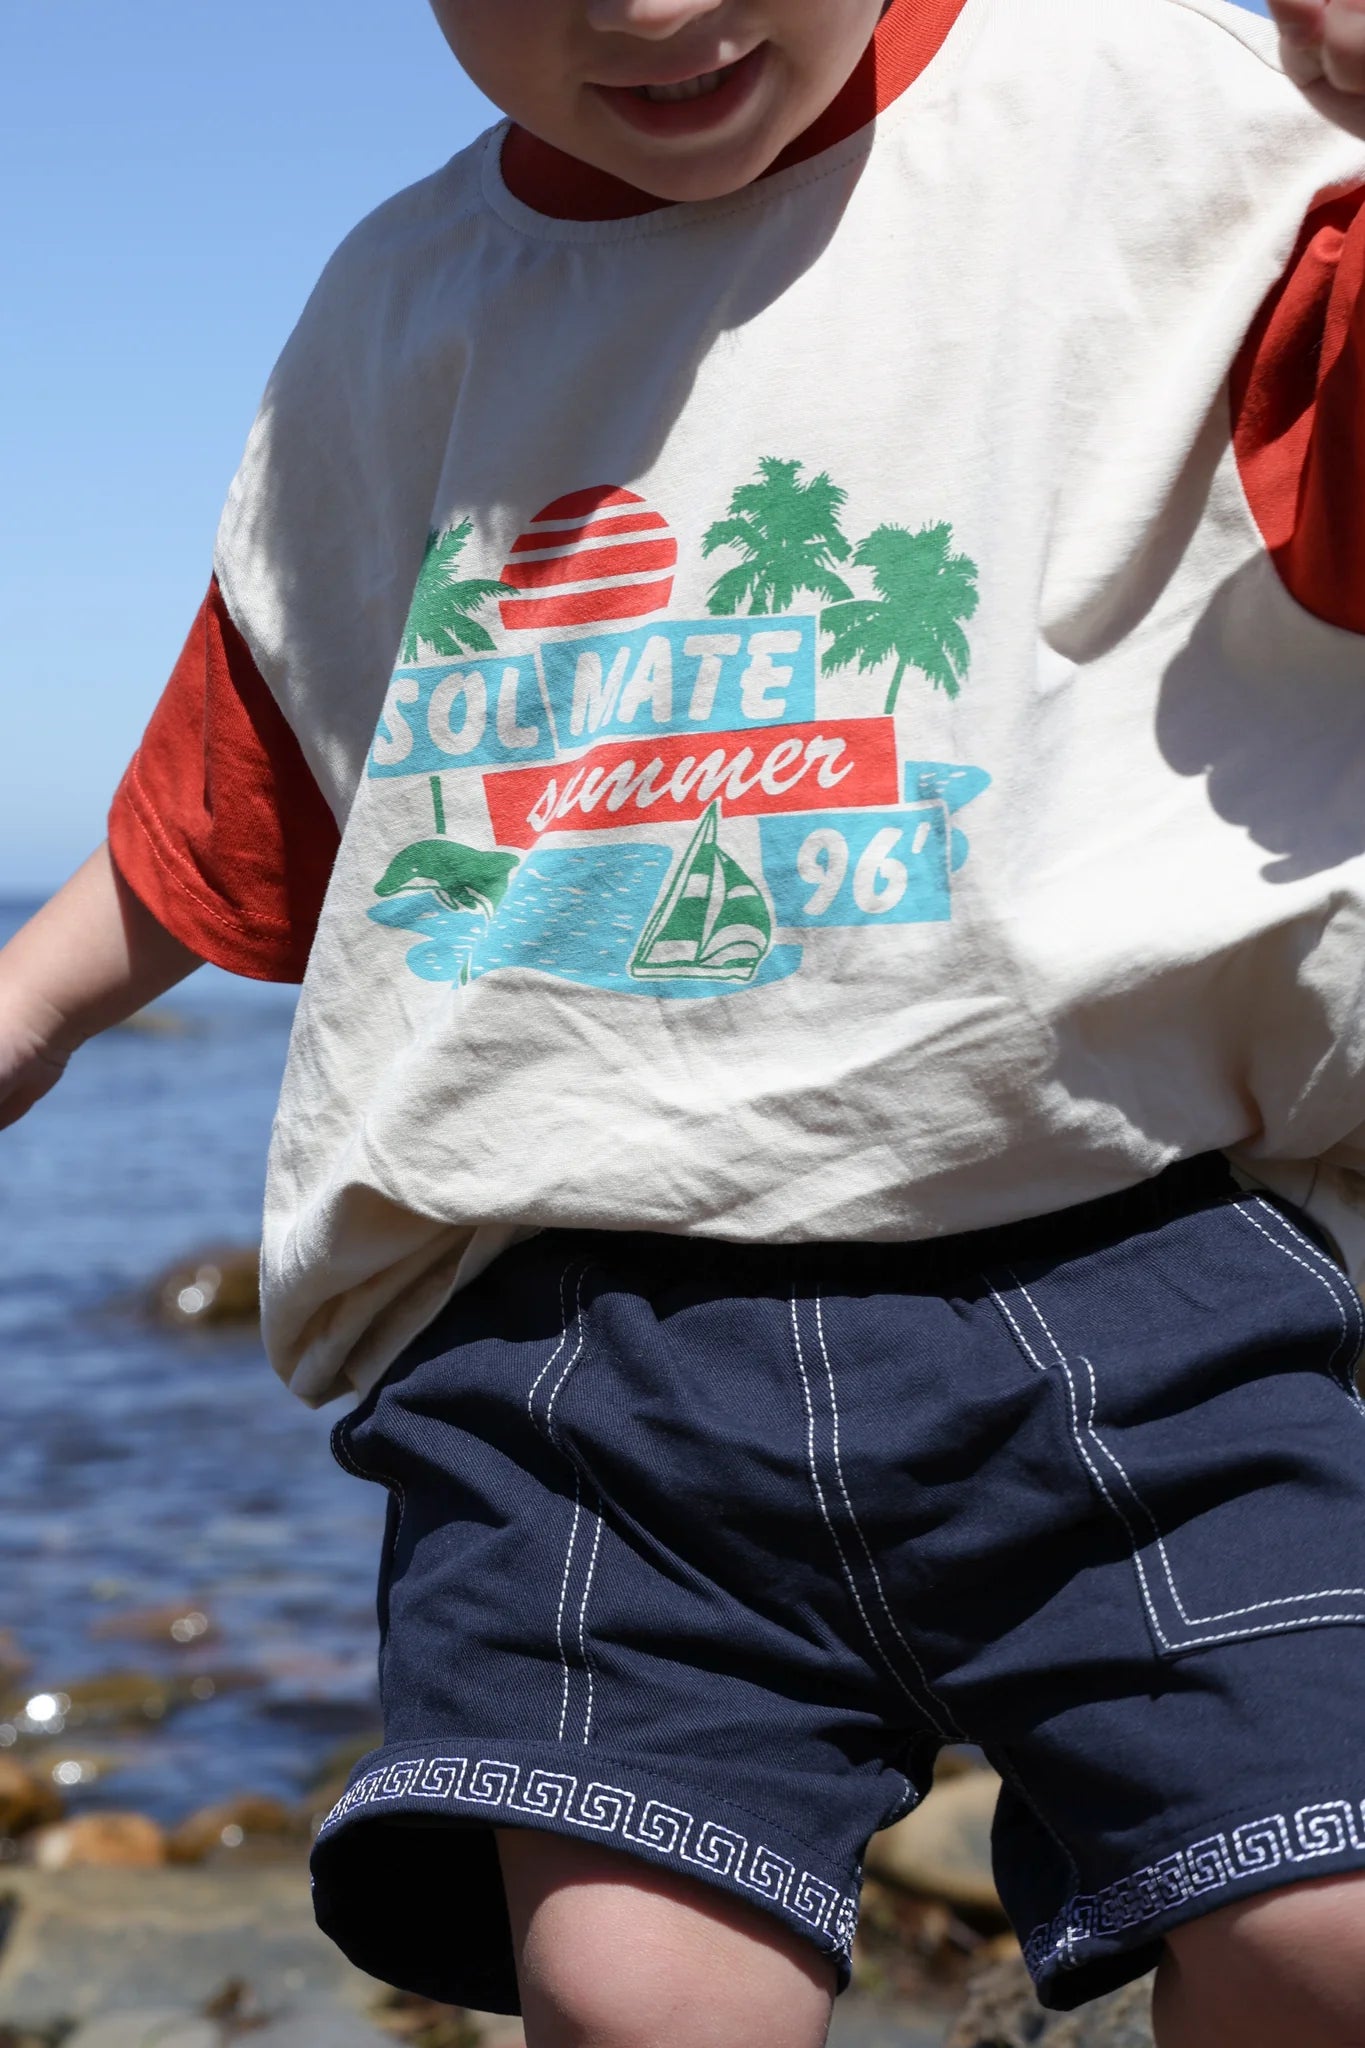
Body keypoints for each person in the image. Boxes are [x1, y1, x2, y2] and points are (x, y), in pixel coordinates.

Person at [4, 0, 1365, 2040]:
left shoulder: (1151, 110)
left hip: (1132, 1258)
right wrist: (28, 1004)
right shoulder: (407, 304)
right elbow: (273, 756)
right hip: (579, 1336)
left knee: (1326, 1924)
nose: (642, 9)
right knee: (636, 1994)